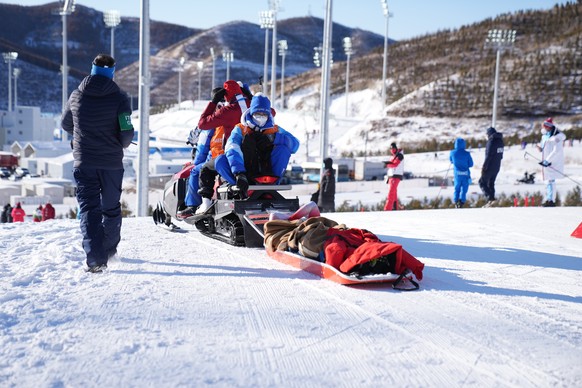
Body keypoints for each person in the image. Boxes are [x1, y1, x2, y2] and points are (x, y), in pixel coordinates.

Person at [61, 53, 134, 273]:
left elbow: (65, 124)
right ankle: (109, 251)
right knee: (111, 208)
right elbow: (126, 134)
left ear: (92, 69)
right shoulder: (120, 97)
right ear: (112, 71)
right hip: (112, 163)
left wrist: (81, 136)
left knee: (89, 209)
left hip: (84, 162)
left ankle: (95, 259)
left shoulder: (76, 96)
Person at [178, 80, 251, 218]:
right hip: (250, 154)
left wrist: (212, 102)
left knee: (199, 170)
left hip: (228, 155)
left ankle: (194, 205)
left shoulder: (225, 112)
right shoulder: (251, 107)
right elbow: (270, 111)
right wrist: (251, 97)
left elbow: (202, 126)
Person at [223, 93, 299, 197]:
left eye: (264, 114)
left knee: (283, 150)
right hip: (245, 168)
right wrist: (239, 172)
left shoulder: (274, 129)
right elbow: (232, 148)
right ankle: (241, 186)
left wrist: (275, 139)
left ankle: (271, 187)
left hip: (267, 168)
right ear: (252, 112)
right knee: (221, 161)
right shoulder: (240, 129)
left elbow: (295, 145)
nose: (261, 117)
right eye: (258, 113)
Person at [536, 117, 566, 207]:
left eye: (545, 126)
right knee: (547, 182)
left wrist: (547, 160)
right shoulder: (544, 136)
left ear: (549, 126)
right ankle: (549, 199)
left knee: (551, 181)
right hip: (545, 163)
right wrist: (540, 149)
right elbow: (543, 148)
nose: (544, 128)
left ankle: (551, 201)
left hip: (552, 163)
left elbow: (556, 151)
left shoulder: (556, 137)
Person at [479, 127, 504, 207]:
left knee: (482, 182)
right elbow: (501, 155)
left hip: (490, 166)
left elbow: (488, 155)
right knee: (491, 183)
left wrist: (484, 167)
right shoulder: (500, 141)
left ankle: (490, 198)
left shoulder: (491, 141)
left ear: (489, 134)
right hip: (497, 166)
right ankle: (492, 201)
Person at [449, 138, 474, 208]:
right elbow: (471, 164)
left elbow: (451, 160)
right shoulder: (467, 154)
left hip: (457, 175)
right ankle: (461, 202)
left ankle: (456, 201)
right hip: (465, 174)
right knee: (464, 189)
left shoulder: (452, 153)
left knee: (457, 189)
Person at [383, 143, 404, 211]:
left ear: (396, 148)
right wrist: (387, 164)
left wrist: (387, 164)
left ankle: (387, 209)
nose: (392, 150)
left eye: (393, 149)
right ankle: (394, 208)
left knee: (391, 193)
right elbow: (392, 164)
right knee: (393, 193)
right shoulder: (393, 156)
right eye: (391, 149)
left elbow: (395, 164)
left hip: (396, 176)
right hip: (391, 176)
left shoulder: (399, 155)